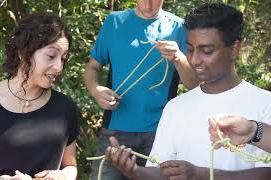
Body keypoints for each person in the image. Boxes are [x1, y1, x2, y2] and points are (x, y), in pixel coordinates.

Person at [105, 3, 271, 180]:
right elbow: (163, 171)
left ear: (235, 49)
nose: (194, 60)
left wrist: (200, 175)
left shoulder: (264, 103)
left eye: (207, 51)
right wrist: (134, 171)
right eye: (190, 49)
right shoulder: (175, 107)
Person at [0, 12, 79, 180]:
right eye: (51, 56)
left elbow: (71, 167)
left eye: (63, 59)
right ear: (23, 52)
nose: (58, 67)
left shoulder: (65, 108)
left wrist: (62, 176)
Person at [84, 0, 199, 179]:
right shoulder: (115, 22)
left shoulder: (179, 28)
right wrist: (96, 89)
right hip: (115, 130)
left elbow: (195, 85)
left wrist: (179, 58)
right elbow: (93, 67)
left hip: (161, 132)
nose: (148, 5)